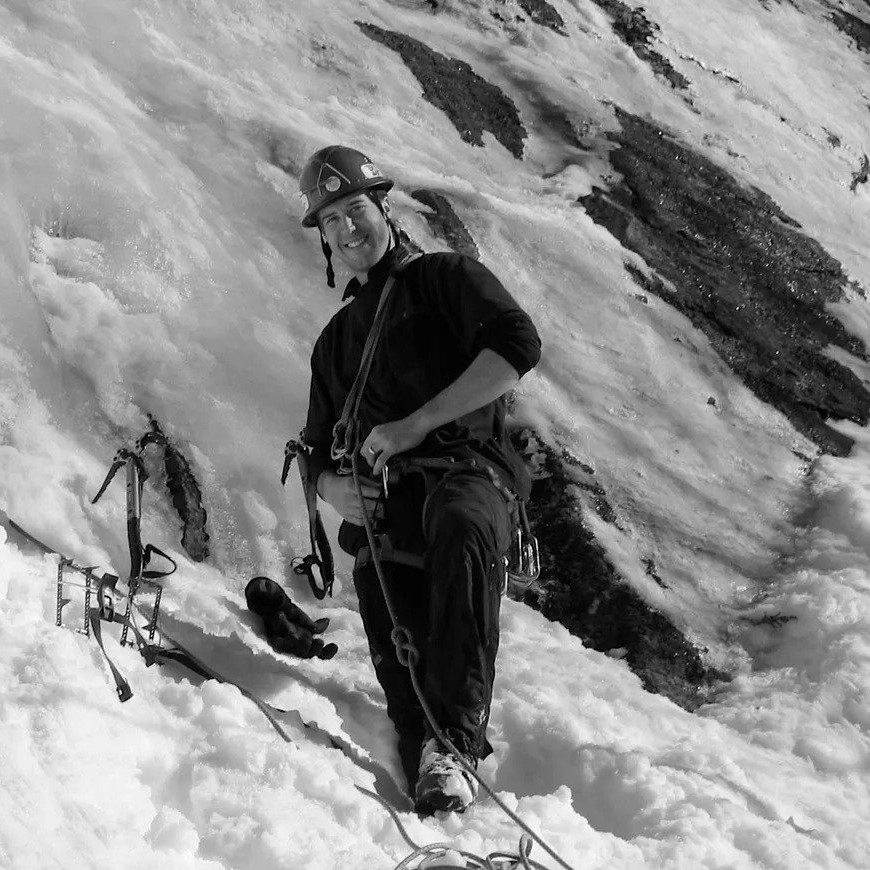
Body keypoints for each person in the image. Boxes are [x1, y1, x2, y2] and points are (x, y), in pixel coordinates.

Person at [297, 145, 541, 814]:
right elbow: (314, 447)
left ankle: (457, 748)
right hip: (387, 513)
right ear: (323, 237)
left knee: (462, 530)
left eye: (356, 211)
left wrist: (414, 425)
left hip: (470, 476)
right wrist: (331, 489)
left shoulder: (445, 280)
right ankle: (429, 767)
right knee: (406, 676)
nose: (349, 229)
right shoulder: (337, 341)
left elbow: (517, 347)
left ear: (384, 209)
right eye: (333, 221)